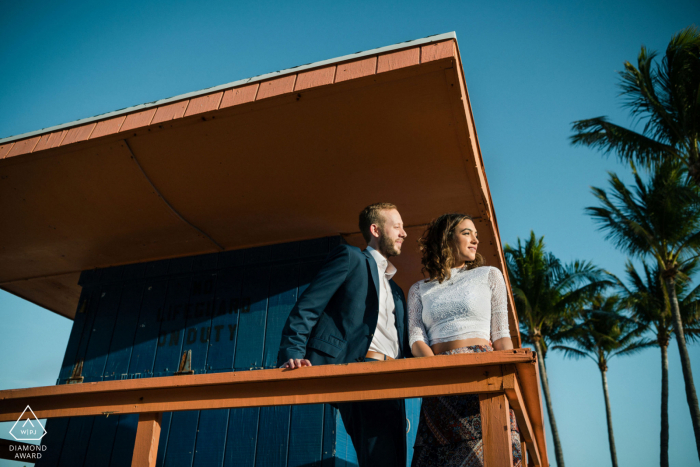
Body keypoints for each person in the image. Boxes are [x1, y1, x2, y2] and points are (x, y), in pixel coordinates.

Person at [277, 202, 413, 467]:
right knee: (380, 459)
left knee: (395, 460)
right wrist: (293, 352)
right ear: (375, 229)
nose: (404, 233)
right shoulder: (350, 258)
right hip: (361, 371)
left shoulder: (397, 290)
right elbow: (308, 306)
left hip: (396, 380)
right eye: (397, 226)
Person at [408, 213, 522, 467]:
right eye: (467, 233)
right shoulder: (418, 289)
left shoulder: (489, 275)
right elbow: (416, 339)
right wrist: (438, 371)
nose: (475, 240)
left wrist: (511, 383)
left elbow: (501, 336)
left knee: (491, 451)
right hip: (438, 377)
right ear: (446, 238)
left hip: (482, 373)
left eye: (476, 235)